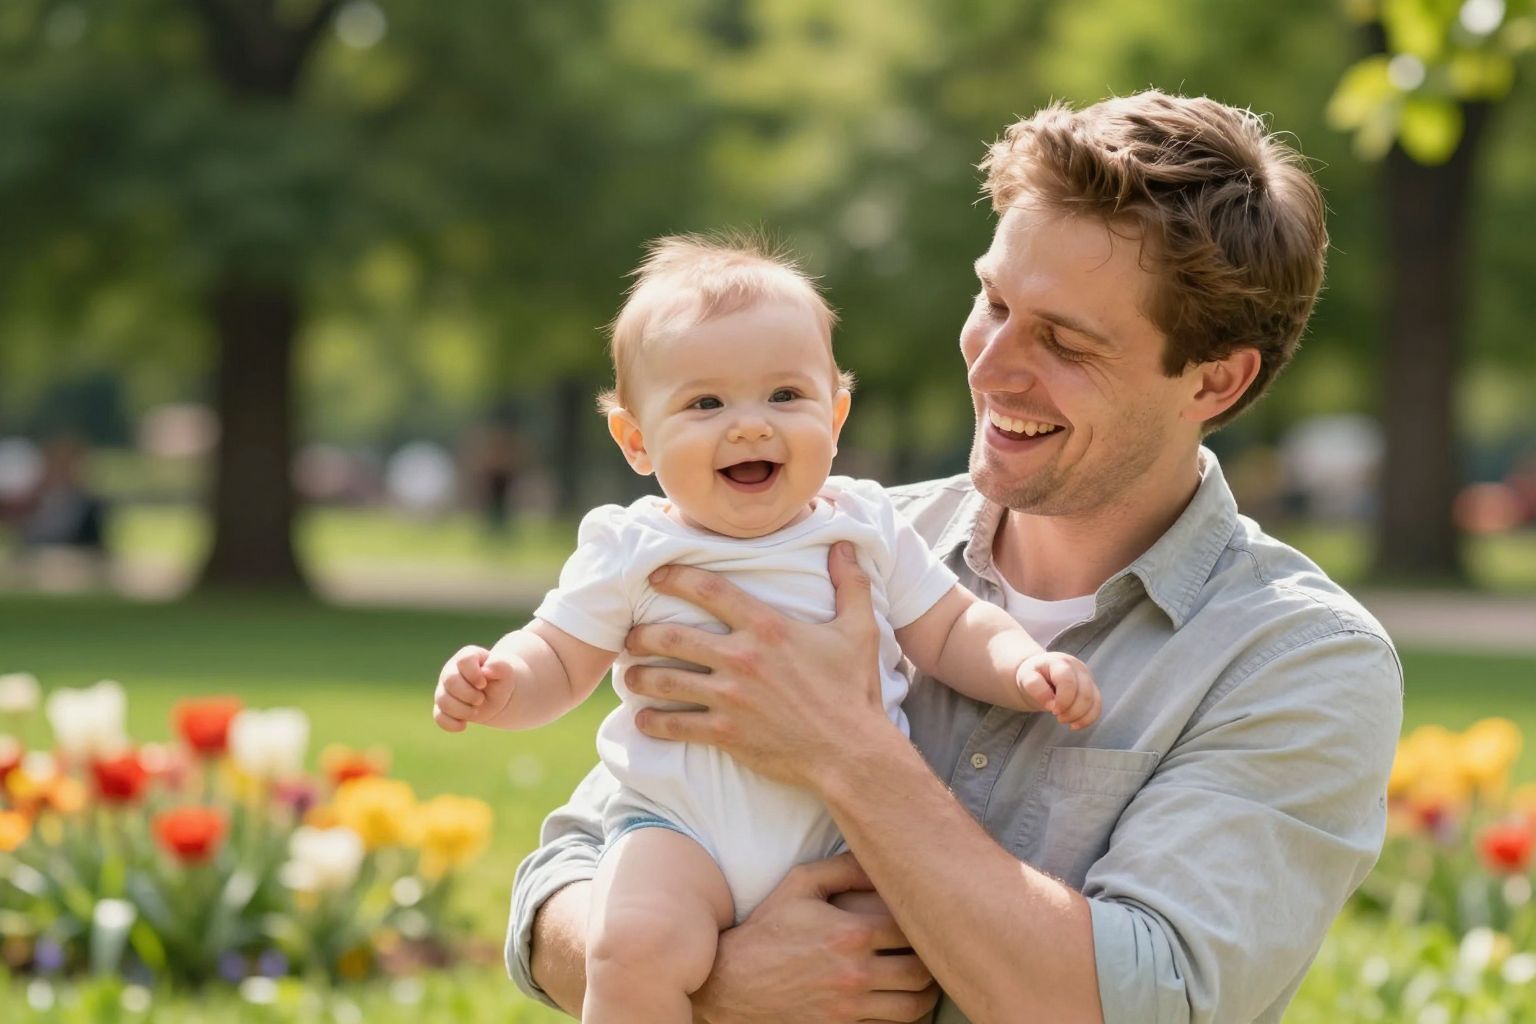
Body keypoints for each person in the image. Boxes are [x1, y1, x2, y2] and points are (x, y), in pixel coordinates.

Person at [508, 91, 1404, 1024]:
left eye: (1064, 341)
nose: (989, 364)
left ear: (1214, 380)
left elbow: (1144, 1004)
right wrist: (726, 986)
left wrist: (845, 747)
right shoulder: (809, 539)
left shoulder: (1299, 662)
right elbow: (557, 888)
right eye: (994, 301)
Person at [432, 235, 1102, 1023]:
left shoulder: (864, 526)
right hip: (682, 832)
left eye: (785, 396)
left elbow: (953, 627)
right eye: (706, 404)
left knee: (885, 978)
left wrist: (1023, 665)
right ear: (637, 440)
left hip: (851, 838)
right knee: (628, 947)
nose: (750, 426)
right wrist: (502, 683)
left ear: (835, 414)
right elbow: (557, 654)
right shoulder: (633, 547)